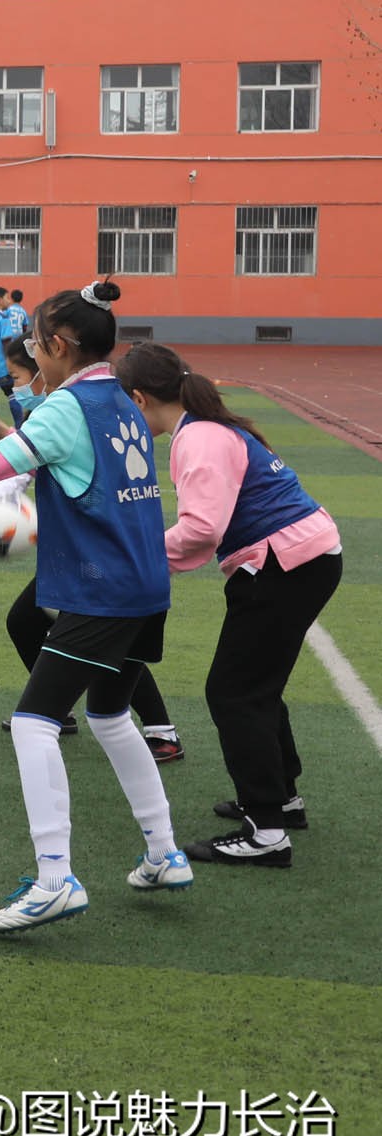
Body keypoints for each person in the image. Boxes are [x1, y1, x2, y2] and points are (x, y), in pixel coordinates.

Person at [0, 282, 193, 932]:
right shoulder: (119, 396)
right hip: (144, 584)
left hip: (102, 589)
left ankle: (55, 876)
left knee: (35, 721)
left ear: (58, 346)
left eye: (34, 342)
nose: (31, 351)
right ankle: (163, 851)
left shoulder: (68, 405)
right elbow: (49, 459)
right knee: (112, 714)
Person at [116, 342, 344, 869]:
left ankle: (266, 832)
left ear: (138, 398)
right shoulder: (205, 427)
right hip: (299, 558)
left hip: (283, 564)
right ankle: (281, 800)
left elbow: (201, 530)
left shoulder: (199, 437)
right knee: (255, 687)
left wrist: (140, 557)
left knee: (234, 692)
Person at [0, 339, 183, 760]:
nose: (16, 387)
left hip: (96, 555)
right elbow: (28, 452)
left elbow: (8, 459)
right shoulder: (66, 405)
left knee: (109, 644)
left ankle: (160, 729)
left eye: (20, 377)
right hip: (78, 552)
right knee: (25, 620)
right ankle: (60, 712)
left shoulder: (69, 406)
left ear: (49, 361)